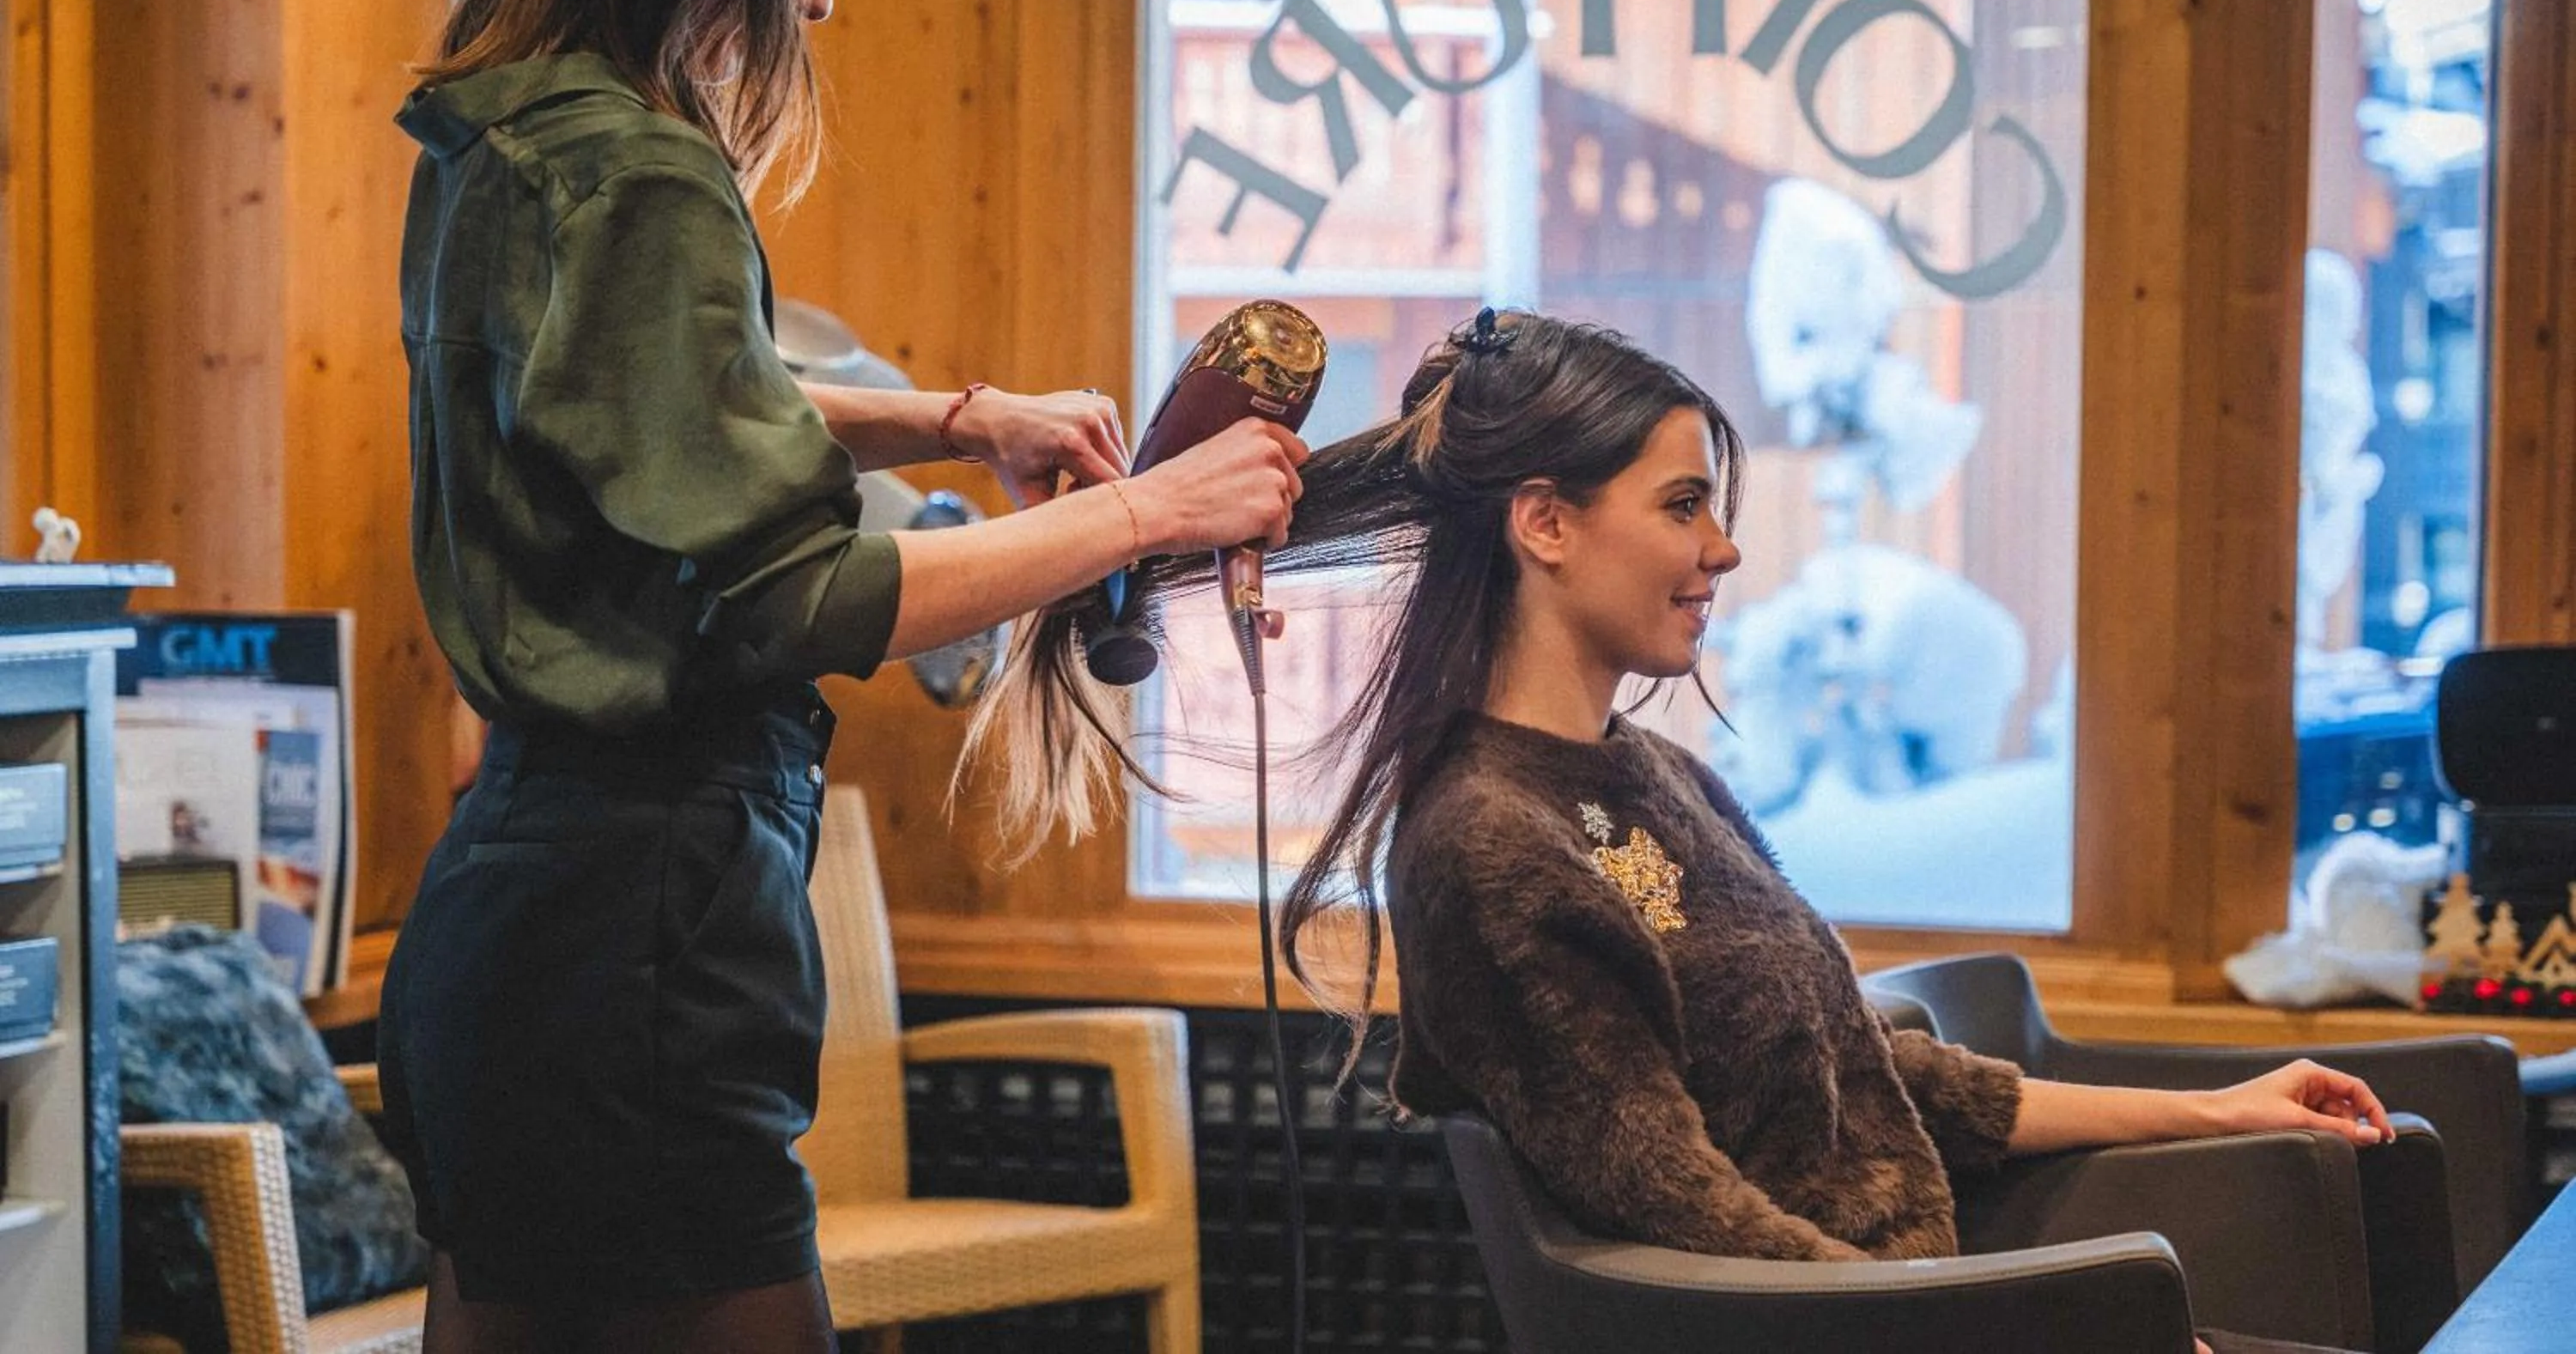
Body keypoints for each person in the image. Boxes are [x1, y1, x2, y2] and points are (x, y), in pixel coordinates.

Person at [981, 309, 2392, 1354]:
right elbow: (1682, 1206)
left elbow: (1891, 1090)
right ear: (1544, 524)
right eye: (1683, 506)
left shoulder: (1652, 773)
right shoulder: (1486, 844)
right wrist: (2026, 1334)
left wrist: (2225, 1107)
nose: (1722, 551)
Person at [379, 0, 1306, 1351]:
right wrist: (1152, 514)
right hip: (644, 934)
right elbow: (795, 594)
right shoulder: (641, 171)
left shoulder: (503, 136)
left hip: (510, 913)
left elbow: (652, 409)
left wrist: (956, 421)